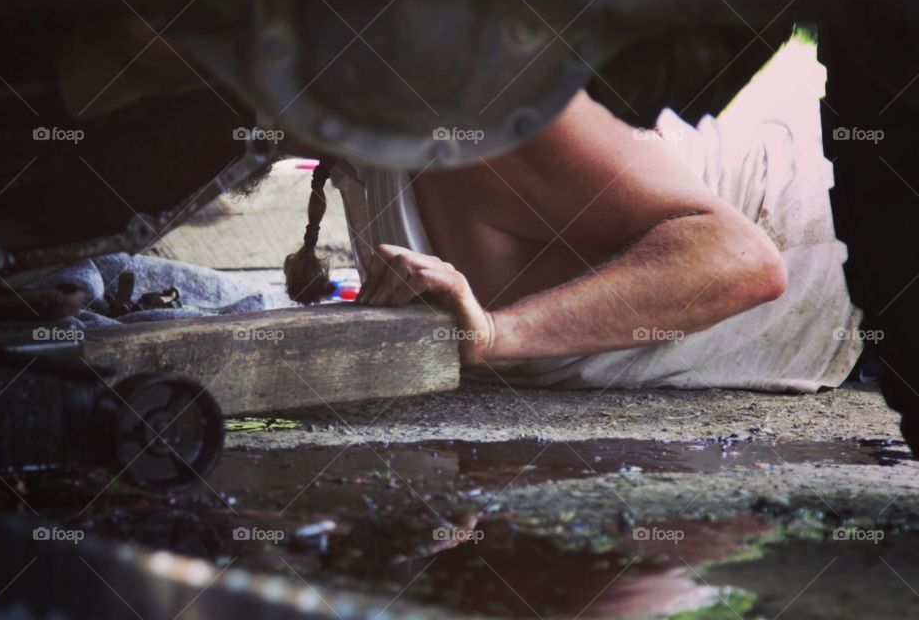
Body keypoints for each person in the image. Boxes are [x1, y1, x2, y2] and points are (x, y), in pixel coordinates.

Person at [288, 64, 862, 395]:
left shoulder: (482, 119)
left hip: (841, 223)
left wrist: (496, 335)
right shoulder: (359, 146)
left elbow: (741, 259)